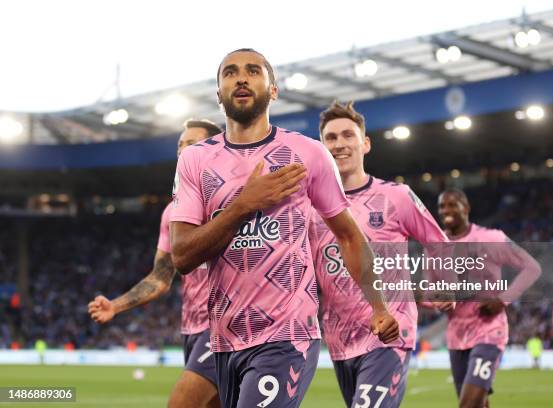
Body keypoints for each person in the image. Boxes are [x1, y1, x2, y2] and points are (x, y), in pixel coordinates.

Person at [170, 48, 399, 408]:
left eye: (253, 71)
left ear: (273, 90)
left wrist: (379, 306)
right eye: (229, 73)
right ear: (218, 94)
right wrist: (244, 205)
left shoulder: (307, 154)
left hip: (288, 334)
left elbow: (349, 235)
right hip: (225, 340)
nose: (241, 78)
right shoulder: (195, 160)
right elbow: (182, 255)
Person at [310, 101, 448, 407]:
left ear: (365, 143)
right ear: (321, 148)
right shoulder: (309, 209)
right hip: (339, 339)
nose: (340, 144)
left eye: (348, 135)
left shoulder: (395, 196)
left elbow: (439, 243)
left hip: (390, 332)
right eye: (330, 138)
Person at [87, 119, 223, 408]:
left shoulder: (232, 201)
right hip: (191, 329)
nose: (183, 150)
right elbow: (161, 277)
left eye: (192, 143)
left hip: (226, 326)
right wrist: (116, 305)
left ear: (217, 150)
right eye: (180, 145)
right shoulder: (172, 212)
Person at [437, 188, 541, 408]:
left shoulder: (491, 238)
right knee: (479, 405)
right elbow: (436, 293)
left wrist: (502, 300)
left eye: (452, 204)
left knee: (468, 405)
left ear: (466, 208)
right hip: (456, 336)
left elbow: (532, 268)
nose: (446, 210)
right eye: (442, 206)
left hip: (489, 332)